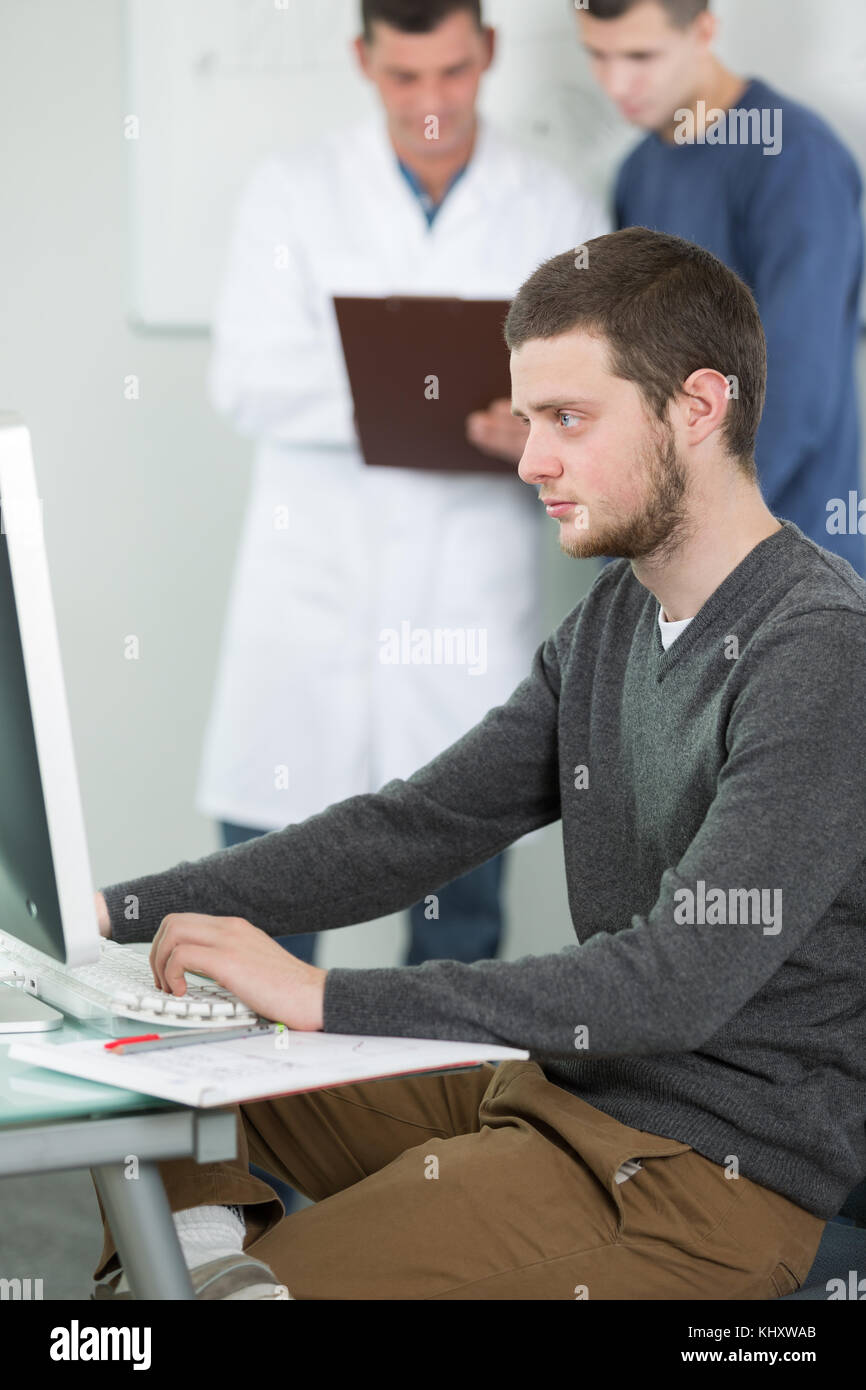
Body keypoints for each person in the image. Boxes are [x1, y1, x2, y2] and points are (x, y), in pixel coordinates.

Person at [92, 227, 866, 1300]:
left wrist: (326, 995)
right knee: (153, 1032)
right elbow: (415, 828)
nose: (528, 459)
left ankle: (204, 1284)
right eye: (527, 418)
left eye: (567, 419)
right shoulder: (615, 619)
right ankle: (202, 1272)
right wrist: (108, 916)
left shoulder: (817, 648)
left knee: (229, 1248)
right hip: (550, 1096)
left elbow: (679, 980)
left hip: (691, 1182)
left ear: (697, 406)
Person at [198, 0, 606, 979]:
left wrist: (536, 423)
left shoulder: (557, 208)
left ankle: (429, 1139)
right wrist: (416, 397)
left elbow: (595, 405)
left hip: (461, 625)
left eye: (453, 73)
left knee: (451, 956)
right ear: (362, 61)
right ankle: (264, 1141)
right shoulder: (292, 192)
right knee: (254, 954)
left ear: (490, 54)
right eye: (403, 78)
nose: (430, 103)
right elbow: (245, 378)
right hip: (308, 613)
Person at [578, 0, 865, 572]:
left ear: (704, 30)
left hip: (786, 560)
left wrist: (674, 535)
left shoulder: (793, 158)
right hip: (671, 559)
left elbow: (796, 390)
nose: (617, 83)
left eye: (641, 55)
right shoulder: (639, 171)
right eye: (598, 55)